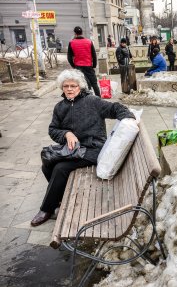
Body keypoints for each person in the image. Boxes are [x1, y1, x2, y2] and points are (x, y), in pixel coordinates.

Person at [30, 69, 135, 227]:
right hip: (74, 149)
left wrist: (130, 119)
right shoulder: (60, 107)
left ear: (80, 87)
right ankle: (60, 198)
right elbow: (53, 129)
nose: (70, 89)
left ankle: (47, 209)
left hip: (93, 149)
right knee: (47, 163)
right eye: (66, 86)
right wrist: (66, 134)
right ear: (62, 88)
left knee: (60, 168)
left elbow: (115, 108)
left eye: (73, 85)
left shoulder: (92, 101)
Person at [67, 26, 100, 96]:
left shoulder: (71, 43)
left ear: (75, 33)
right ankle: (99, 98)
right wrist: (94, 65)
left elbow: (69, 57)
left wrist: (74, 66)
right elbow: (94, 55)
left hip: (78, 67)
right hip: (88, 66)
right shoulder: (89, 42)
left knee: (83, 84)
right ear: (82, 33)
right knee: (94, 83)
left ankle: (86, 99)